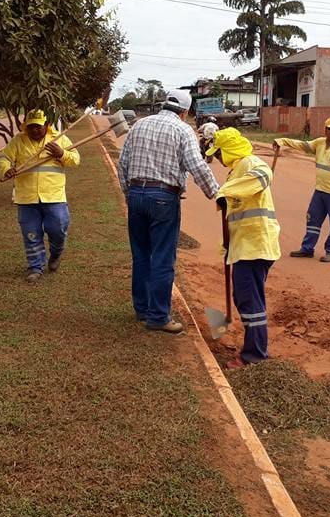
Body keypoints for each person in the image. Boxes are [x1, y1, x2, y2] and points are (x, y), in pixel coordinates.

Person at [118, 89, 220, 333]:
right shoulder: (182, 129)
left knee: (141, 255)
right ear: (184, 112)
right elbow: (197, 165)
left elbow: (123, 163)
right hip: (164, 198)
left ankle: (142, 309)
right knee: (162, 258)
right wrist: (216, 193)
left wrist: (128, 193)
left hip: (136, 194)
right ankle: (158, 317)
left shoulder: (140, 125)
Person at [206, 128, 280, 368]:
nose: (217, 158)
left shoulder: (250, 163)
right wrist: (227, 245)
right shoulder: (235, 171)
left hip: (256, 245)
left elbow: (264, 174)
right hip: (244, 245)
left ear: (228, 150)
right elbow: (235, 213)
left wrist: (226, 192)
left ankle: (255, 356)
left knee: (250, 302)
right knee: (245, 298)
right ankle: (254, 351)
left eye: (219, 154)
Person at [0, 109, 79, 283]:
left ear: (47, 126)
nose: (34, 130)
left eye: (38, 127)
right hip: (27, 197)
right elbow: (3, 158)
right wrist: (6, 169)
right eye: (30, 127)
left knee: (58, 229)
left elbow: (76, 159)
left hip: (54, 196)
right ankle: (35, 267)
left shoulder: (59, 139)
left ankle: (56, 254)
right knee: (31, 234)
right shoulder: (18, 141)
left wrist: (61, 153)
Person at [273, 116, 330, 262]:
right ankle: (307, 249)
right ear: (325, 129)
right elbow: (302, 145)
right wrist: (283, 141)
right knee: (312, 220)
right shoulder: (320, 143)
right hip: (320, 191)